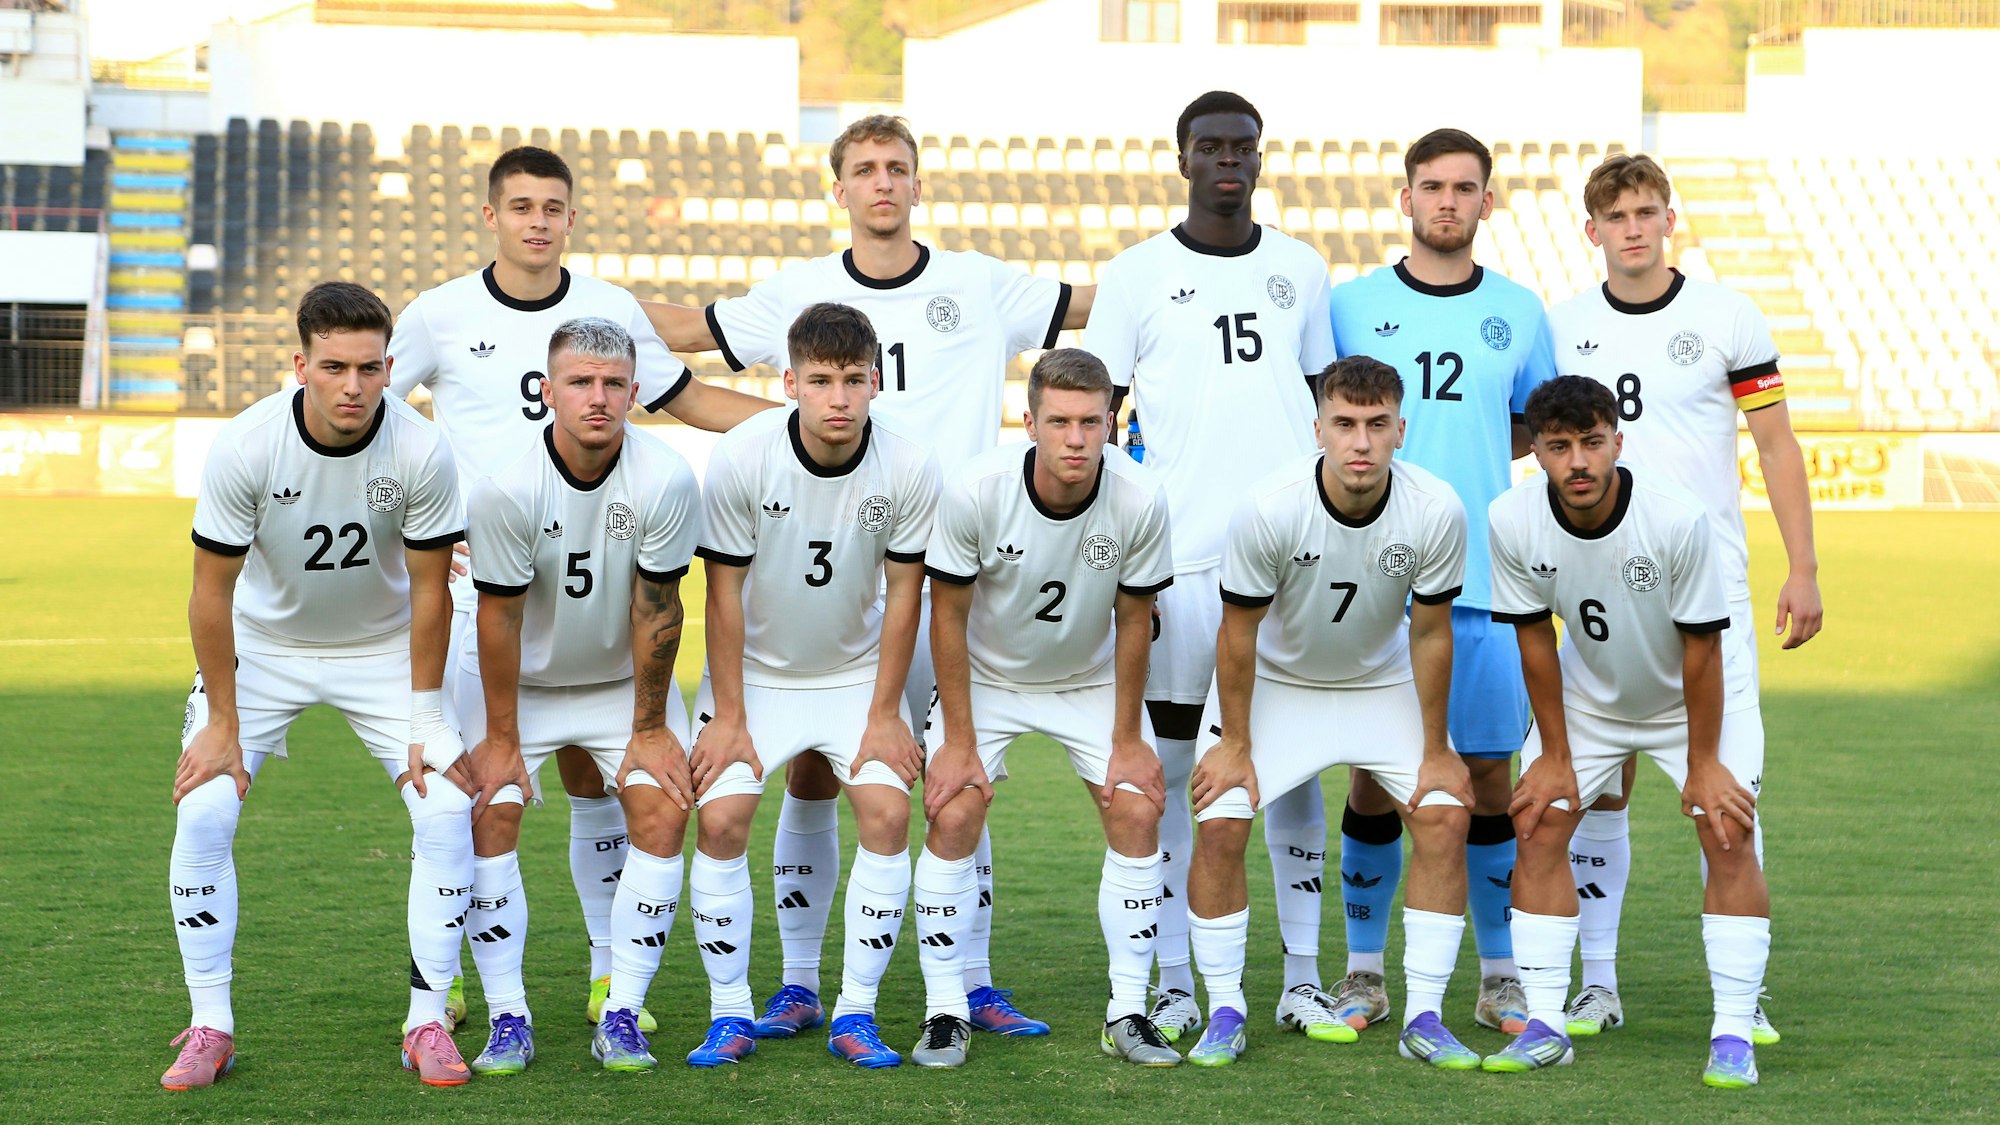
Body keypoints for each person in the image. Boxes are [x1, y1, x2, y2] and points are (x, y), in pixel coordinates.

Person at [640, 115, 1087, 1039]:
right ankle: (801, 982)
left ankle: (970, 976)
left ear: (919, 183)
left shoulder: (977, 279)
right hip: (834, 586)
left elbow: (1094, 309)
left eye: (898, 168)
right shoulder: (797, 293)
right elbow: (689, 331)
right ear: (836, 187)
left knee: (961, 770)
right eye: (864, 170)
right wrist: (572, 298)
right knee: (809, 771)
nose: (882, 182)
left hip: (955, 573)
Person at [389, 145, 769, 1036]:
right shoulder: (441, 313)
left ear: (570, 217)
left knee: (605, 788)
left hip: (602, 586)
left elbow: (692, 403)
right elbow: (374, 412)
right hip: (494, 597)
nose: (536, 220)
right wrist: (433, 520)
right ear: (490, 215)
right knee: (458, 804)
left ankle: (611, 979)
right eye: (519, 205)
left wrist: (806, 426)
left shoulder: (609, 310)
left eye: (552, 206)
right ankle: (442, 981)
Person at [163, 281, 474, 1089]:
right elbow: (209, 592)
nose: (352, 386)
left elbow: (434, 590)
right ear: (300, 363)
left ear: (389, 366)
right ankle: (210, 1022)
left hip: (382, 649)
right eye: (334, 366)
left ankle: (427, 1018)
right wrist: (222, 721)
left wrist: (426, 715)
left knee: (446, 807)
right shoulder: (247, 443)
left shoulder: (420, 447)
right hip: (263, 651)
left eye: (370, 368)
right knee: (203, 807)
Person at [1548, 154, 1820, 1043]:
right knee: (1596, 791)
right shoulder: (1564, 326)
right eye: (1615, 215)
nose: (1633, 227)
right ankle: (1598, 982)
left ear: (1671, 219)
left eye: (1646, 211)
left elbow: (1777, 445)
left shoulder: (1726, 316)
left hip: (1705, 589)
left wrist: (1804, 566)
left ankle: (1747, 995)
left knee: (1729, 793)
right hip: (1592, 591)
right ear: (1591, 231)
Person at [1084, 89, 1335, 1042]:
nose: (1228, 160)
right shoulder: (1137, 273)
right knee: (1183, 767)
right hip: (1183, 562)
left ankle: (1300, 978)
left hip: (1291, 559)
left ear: (1261, 159)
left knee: (1293, 769)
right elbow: (1096, 416)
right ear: (1182, 159)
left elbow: (1322, 401)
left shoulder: (1301, 270)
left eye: (1243, 146)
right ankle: (1181, 976)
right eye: (1210, 147)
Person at [1325, 127, 1555, 1036]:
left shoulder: (1521, 310)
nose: (1448, 201)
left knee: (1491, 780)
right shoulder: (1351, 304)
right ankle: (1363, 971)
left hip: (1487, 584)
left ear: (1487, 202)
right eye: (1432, 186)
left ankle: (1499, 973)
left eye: (1466, 187)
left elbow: (1536, 427)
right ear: (1406, 198)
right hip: (1380, 585)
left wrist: (1462, 483)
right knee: (1378, 781)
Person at [1182, 356, 1473, 1068]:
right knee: (1220, 818)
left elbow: (1432, 633)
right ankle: (1225, 1008)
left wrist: (1437, 748)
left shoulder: (1436, 508)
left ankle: (1427, 1016)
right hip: (1279, 685)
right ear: (1319, 428)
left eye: (1377, 425)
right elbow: (1238, 632)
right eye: (1345, 424)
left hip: (1379, 683)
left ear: (1402, 429)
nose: (1361, 442)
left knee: (1444, 811)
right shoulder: (1269, 505)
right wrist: (1236, 743)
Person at [1481, 376, 1769, 1090]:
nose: (1577, 461)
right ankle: (1546, 1024)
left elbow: (1701, 649)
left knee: (1725, 826)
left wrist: (1703, 762)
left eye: (1590, 442)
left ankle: (1733, 1032)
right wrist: (1552, 753)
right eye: (1558, 446)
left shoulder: (1677, 518)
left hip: (1693, 698)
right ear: (1537, 453)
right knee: (1540, 821)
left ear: (1617, 439)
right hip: (1590, 697)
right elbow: (1534, 637)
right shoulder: (1511, 517)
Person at [685, 302, 939, 1069]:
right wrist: (728, 716)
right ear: (789, 381)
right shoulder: (741, 455)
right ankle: (730, 1012)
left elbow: (904, 597)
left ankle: (854, 1011)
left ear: (876, 382)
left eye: (854, 380)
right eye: (821, 380)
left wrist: (885, 712)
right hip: (756, 676)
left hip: (856, 673)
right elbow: (721, 594)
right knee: (722, 820)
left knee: (889, 813)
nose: (838, 398)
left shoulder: (908, 465)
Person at [915, 349, 1178, 1068]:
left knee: (1137, 805)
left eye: (1091, 422)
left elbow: (1134, 619)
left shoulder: (1139, 496)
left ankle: (1128, 1010)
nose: (1075, 438)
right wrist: (960, 741)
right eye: (1059, 421)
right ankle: (944, 1009)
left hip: (1088, 680)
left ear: (1110, 422)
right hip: (988, 676)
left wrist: (1127, 738)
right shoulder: (977, 488)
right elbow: (948, 616)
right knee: (956, 805)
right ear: (1028, 421)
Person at [458, 317, 702, 1075]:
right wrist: (500, 740)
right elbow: (496, 619)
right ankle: (508, 1017)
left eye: (614, 383)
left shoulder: (665, 478)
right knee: (486, 814)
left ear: (635, 390)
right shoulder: (505, 483)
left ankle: (622, 1008)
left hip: (618, 680)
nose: (598, 397)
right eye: (580, 382)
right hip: (515, 684)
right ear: (547, 389)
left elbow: (657, 608)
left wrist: (651, 726)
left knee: (664, 806)